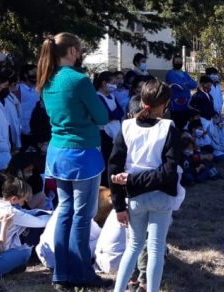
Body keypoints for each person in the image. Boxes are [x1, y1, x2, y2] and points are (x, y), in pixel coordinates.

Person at [37, 33, 111, 289]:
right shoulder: (79, 80)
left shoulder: (47, 80)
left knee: (65, 212)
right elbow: (102, 116)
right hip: (83, 154)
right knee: (82, 216)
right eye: (78, 50)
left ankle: (61, 273)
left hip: (58, 153)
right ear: (70, 50)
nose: (79, 54)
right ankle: (82, 273)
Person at [109, 80, 184, 292]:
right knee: (155, 248)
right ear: (166, 104)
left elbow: (113, 167)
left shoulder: (126, 127)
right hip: (160, 195)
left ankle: (119, 289)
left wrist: (119, 204)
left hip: (134, 197)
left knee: (133, 246)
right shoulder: (168, 128)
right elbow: (169, 171)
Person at [0, 176, 50, 250]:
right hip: (5, 249)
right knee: (43, 225)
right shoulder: (11, 213)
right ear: (14, 199)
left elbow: (25, 213)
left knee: (38, 215)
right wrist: (58, 215)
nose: (24, 202)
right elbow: (41, 222)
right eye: (23, 199)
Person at [94, 71, 125, 187]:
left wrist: (114, 114)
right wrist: (113, 115)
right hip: (105, 134)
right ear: (104, 83)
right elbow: (107, 115)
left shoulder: (112, 96)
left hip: (116, 132)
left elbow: (120, 112)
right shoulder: (98, 96)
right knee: (107, 160)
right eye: (112, 82)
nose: (115, 85)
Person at [166, 55, 197, 131]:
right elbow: (178, 86)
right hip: (176, 107)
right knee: (176, 128)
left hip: (187, 106)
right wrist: (187, 84)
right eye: (176, 61)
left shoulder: (185, 73)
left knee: (186, 127)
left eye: (180, 61)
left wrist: (184, 84)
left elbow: (194, 84)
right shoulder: (170, 74)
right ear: (173, 63)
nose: (178, 63)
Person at [18, 65, 40, 151]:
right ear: (25, 74)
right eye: (33, 72)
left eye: (37, 72)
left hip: (37, 131)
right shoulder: (18, 89)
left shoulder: (39, 89)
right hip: (22, 132)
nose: (35, 74)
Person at [2, 71, 23, 152]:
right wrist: (15, 141)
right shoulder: (5, 99)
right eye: (16, 83)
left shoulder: (11, 96)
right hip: (8, 140)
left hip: (13, 139)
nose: (17, 85)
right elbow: (12, 122)